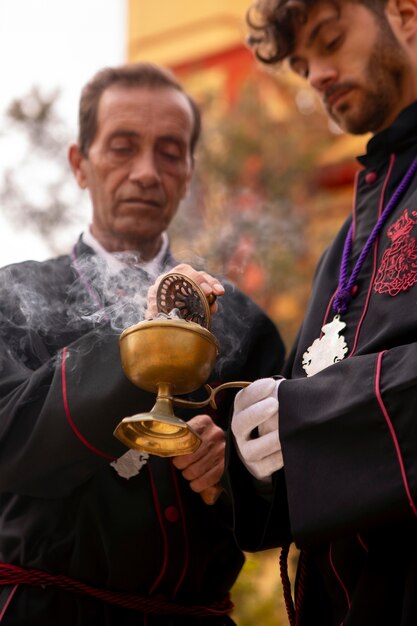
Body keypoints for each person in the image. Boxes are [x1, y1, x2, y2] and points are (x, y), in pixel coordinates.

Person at [0, 62, 285, 625]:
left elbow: (280, 504)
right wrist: (138, 344)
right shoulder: (13, 297)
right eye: (123, 147)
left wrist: (226, 470)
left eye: (170, 152)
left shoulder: (245, 323)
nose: (147, 172)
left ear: (188, 172)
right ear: (80, 164)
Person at [223, 1, 417, 625]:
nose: (317, 76)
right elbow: (296, 425)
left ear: (406, 15)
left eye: (331, 41)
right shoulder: (346, 246)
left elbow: (314, 413)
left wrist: (310, 417)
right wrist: (246, 454)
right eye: (304, 65)